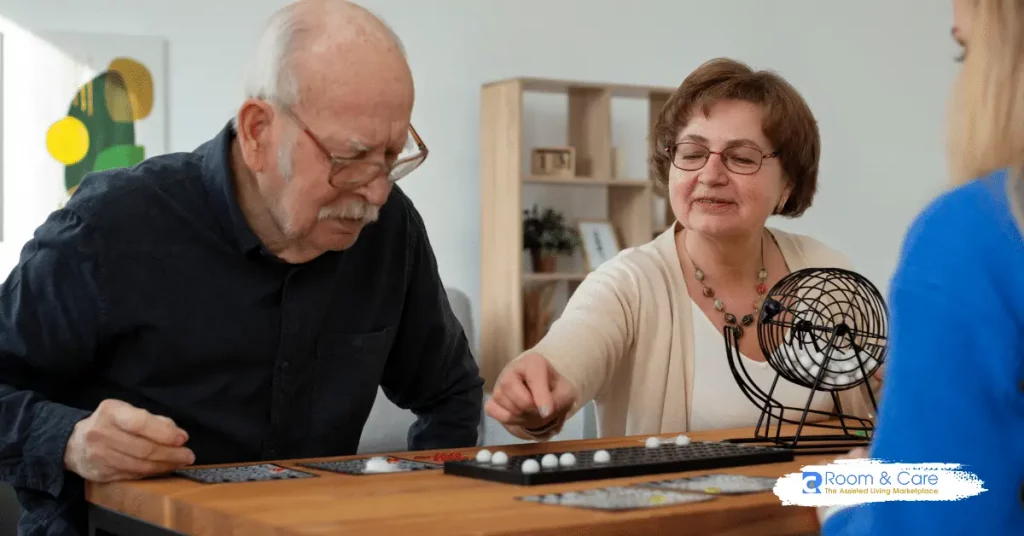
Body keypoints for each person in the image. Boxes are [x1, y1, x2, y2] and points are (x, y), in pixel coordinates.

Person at [0, 1, 484, 534]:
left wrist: (423, 511)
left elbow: (449, 395)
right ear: (257, 131)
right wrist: (68, 438)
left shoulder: (391, 230)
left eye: (392, 156)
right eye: (350, 158)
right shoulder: (107, 229)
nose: (376, 192)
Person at [486, 58, 880, 441]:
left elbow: (883, 406)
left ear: (788, 185)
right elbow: (567, 357)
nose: (710, 175)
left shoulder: (826, 270)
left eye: (741, 158)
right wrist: (534, 395)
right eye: (692, 154)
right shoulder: (628, 284)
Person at [820, 0, 1024, 533]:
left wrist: (847, 509)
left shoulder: (974, 236)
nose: (712, 175)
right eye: (693, 154)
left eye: (967, 52)